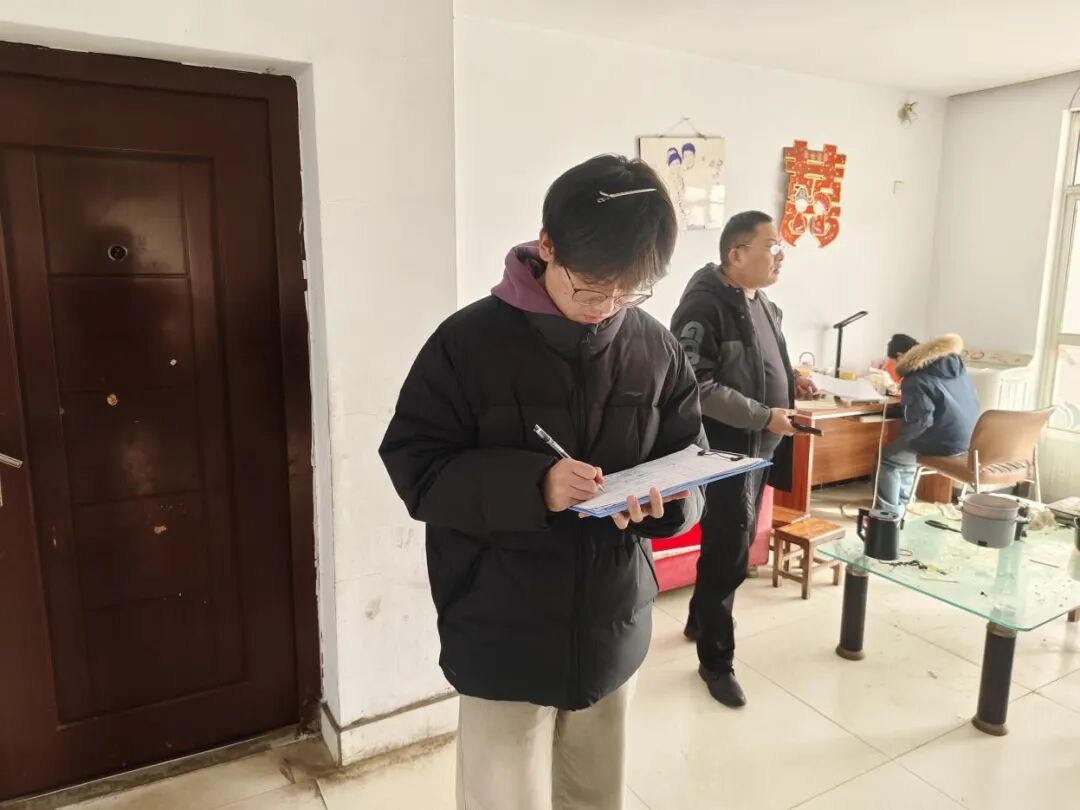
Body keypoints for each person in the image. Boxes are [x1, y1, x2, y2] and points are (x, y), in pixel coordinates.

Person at [380, 155, 707, 810]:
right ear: (547, 245)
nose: (606, 307)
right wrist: (537, 487)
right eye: (592, 286)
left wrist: (669, 505)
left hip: (613, 619)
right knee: (503, 797)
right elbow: (417, 464)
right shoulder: (467, 343)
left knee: (595, 795)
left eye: (629, 291)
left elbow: (690, 461)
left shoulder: (654, 346)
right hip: (502, 625)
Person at [670, 210, 816, 708]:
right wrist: (762, 415)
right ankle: (716, 662)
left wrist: (792, 380)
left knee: (729, 543)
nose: (780, 255)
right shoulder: (704, 305)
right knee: (729, 551)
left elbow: (759, 361)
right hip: (727, 452)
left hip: (760, 449)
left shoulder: (762, 302)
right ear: (736, 254)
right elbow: (696, 384)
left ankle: (698, 621)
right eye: (771, 245)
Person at [875, 334, 980, 515]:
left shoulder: (915, 377)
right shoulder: (955, 366)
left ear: (900, 356)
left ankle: (888, 513)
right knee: (905, 449)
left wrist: (904, 438)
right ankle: (904, 503)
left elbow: (920, 422)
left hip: (943, 442)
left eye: (893, 362)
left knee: (888, 457)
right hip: (969, 438)